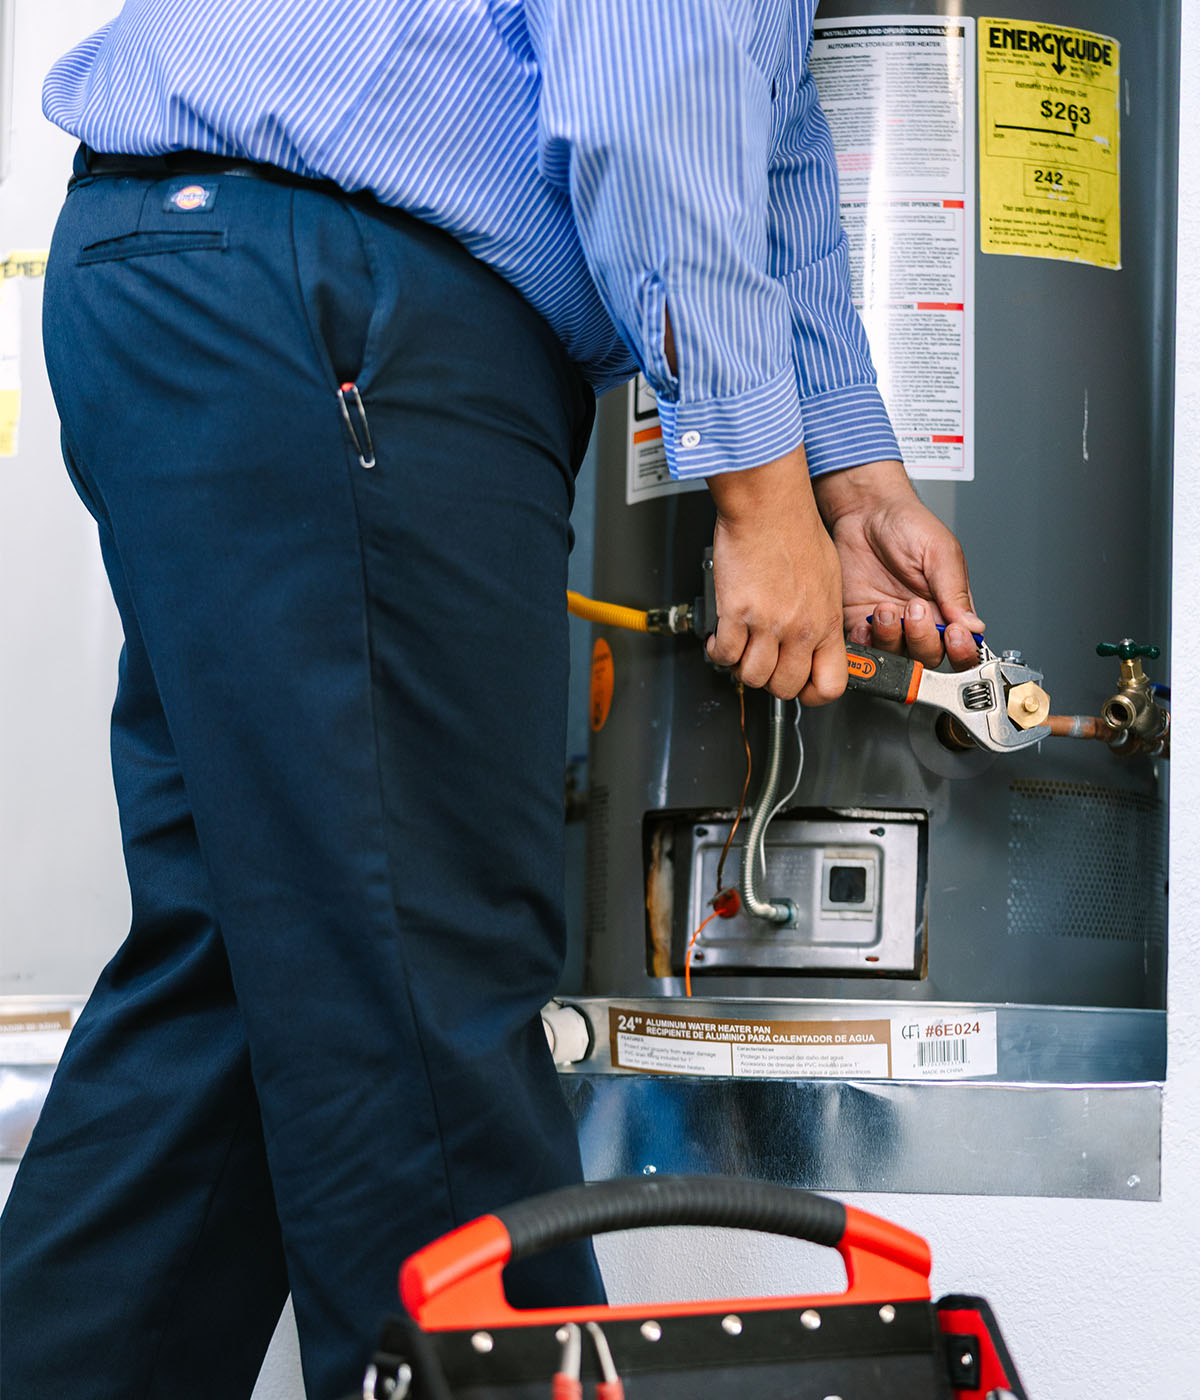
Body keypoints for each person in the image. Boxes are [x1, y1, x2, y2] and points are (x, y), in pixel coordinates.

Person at [0, 2, 983, 1397]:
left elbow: (767, 137)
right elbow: (660, 80)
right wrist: (762, 497)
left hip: (213, 274)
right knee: (422, 994)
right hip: (344, 302)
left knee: (239, 979)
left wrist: (854, 476)